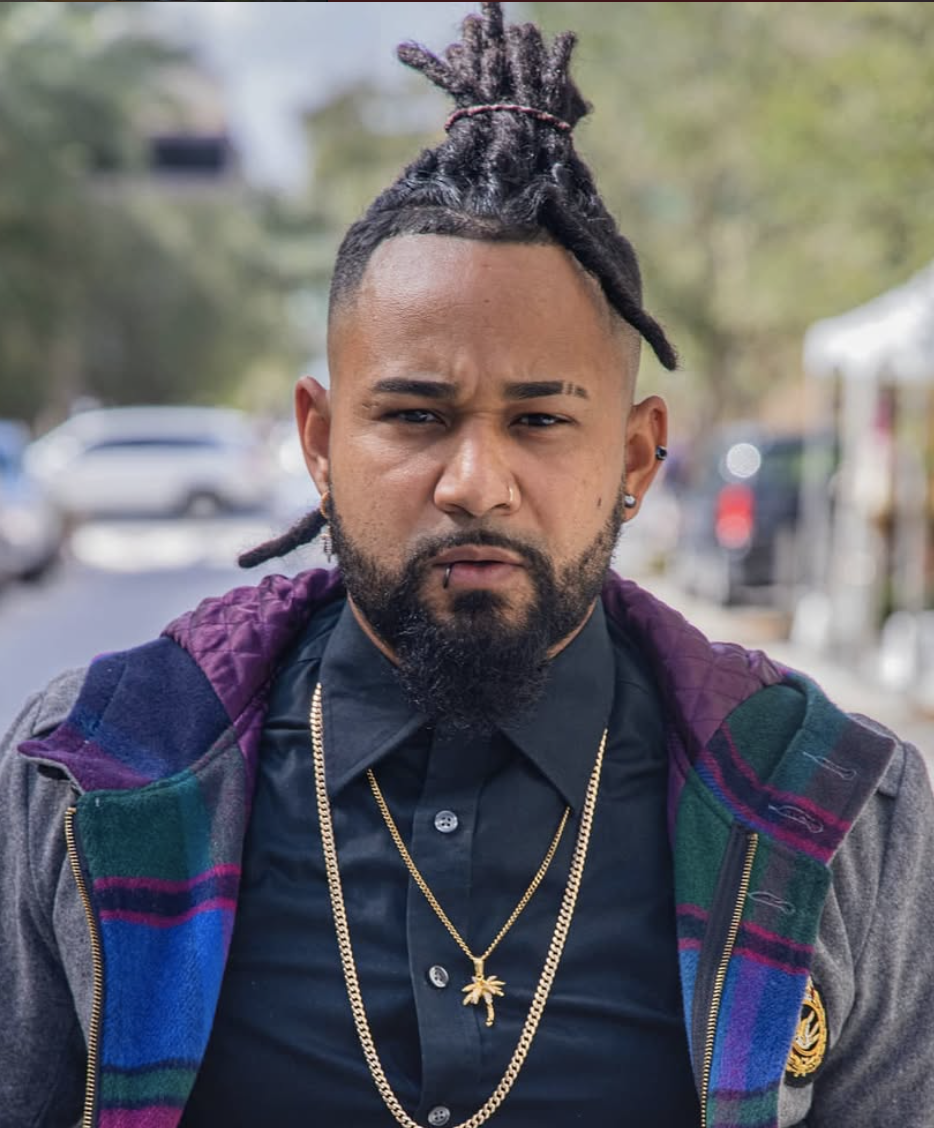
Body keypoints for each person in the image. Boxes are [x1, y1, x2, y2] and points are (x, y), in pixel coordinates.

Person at [2, 5, 933, 1127]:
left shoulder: (836, 809)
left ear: (636, 457)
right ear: (319, 442)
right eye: (415, 415)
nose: (475, 482)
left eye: (540, 421)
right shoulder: (92, 777)